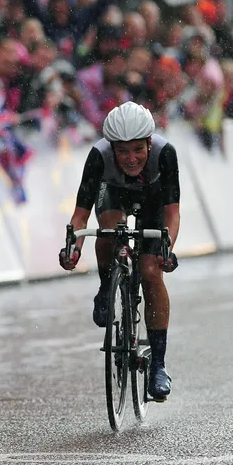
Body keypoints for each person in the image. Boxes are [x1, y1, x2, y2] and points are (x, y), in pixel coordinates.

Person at [59, 101, 180, 402]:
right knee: (110, 231)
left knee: (151, 271)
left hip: (153, 199)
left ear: (149, 143)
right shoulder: (98, 156)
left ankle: (159, 366)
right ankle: (106, 287)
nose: (130, 158)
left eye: (138, 149)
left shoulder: (165, 154)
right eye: (122, 151)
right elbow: (80, 216)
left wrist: (166, 250)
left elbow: (172, 215)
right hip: (113, 194)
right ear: (111, 146)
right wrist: (73, 248)